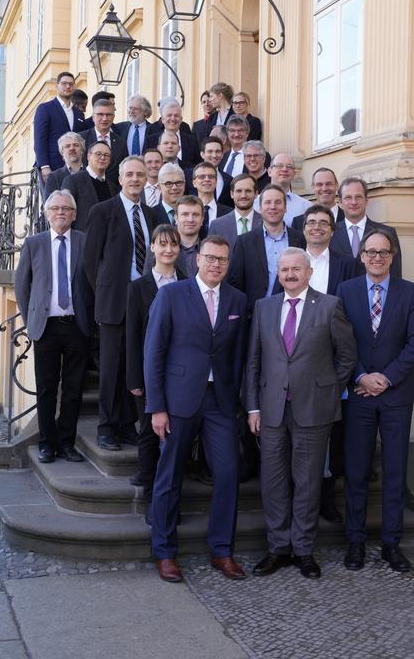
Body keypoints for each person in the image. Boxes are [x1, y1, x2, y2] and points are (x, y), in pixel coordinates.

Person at [245, 247, 356, 579]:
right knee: (274, 481)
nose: (290, 275)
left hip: (314, 409)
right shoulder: (264, 307)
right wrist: (253, 406)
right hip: (271, 410)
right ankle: (278, 548)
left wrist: (327, 390)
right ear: (277, 275)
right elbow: (253, 362)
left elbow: (347, 356)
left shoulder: (329, 306)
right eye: (284, 270)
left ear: (309, 272)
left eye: (296, 269)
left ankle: (304, 550)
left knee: (308, 482)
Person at [144, 235, 248, 583]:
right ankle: (164, 551)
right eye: (210, 258)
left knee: (228, 472)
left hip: (220, 402)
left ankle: (222, 550)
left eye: (222, 259)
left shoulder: (238, 299)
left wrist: (239, 403)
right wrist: (156, 407)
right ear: (197, 260)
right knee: (169, 475)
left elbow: (238, 356)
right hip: (177, 401)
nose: (216, 264)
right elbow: (153, 352)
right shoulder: (171, 294)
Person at [337, 230, 414, 573]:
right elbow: (341, 342)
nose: (376, 257)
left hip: (396, 395)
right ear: (361, 256)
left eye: (383, 252)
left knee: (394, 471)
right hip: (357, 395)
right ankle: (355, 542)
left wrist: (385, 378)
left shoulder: (411, 293)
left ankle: (392, 543)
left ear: (392, 256)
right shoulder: (345, 292)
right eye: (370, 252)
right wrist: (360, 376)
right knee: (357, 471)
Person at [14, 190, 94, 463]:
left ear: (74, 214)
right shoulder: (34, 244)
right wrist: (30, 320)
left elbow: (93, 284)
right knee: (47, 388)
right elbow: (22, 286)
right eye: (56, 208)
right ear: (47, 214)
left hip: (77, 326)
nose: (61, 212)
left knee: (73, 389)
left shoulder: (85, 242)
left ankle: (67, 443)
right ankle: (47, 444)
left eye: (66, 208)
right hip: (46, 328)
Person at [84, 156, 156, 451]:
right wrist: (104, 294)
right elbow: (90, 261)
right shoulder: (103, 211)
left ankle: (128, 425)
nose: (136, 179)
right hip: (114, 301)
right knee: (112, 367)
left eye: (140, 174)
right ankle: (106, 427)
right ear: (121, 178)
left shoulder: (152, 215)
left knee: (134, 366)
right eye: (130, 175)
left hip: (145, 302)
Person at [302, 204, 358, 522]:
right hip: (297, 360)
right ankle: (303, 497)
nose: (317, 228)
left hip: (333, 359)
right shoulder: (293, 260)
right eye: (312, 223)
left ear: (332, 231)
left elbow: (351, 312)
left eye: (324, 223)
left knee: (332, 435)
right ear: (304, 228)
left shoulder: (346, 265)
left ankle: (327, 497)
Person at [126, 225, 186, 518]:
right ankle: (151, 497)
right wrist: (135, 378)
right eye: (162, 245)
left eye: (173, 244)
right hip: (149, 373)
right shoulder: (138, 287)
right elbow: (132, 336)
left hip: (180, 373)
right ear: (151, 248)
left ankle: (173, 494)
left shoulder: (188, 282)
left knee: (176, 435)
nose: (168, 250)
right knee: (149, 434)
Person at [228, 184, 306, 314]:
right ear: (260, 208)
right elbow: (235, 283)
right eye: (268, 202)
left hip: (293, 313)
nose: (273, 207)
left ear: (285, 208)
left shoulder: (300, 239)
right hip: (254, 316)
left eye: (278, 202)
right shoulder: (244, 242)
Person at [330, 177, 402, 277]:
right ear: (340, 202)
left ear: (366, 201)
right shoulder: (330, 232)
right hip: (337, 292)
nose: (354, 202)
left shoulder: (387, 232)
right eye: (348, 197)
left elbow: (395, 274)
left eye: (358, 197)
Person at [33, 71, 86, 184]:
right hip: (52, 167)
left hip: (75, 168)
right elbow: (39, 139)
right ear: (57, 86)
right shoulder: (45, 108)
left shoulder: (79, 113)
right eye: (64, 83)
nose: (68, 86)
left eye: (71, 84)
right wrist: (44, 166)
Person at [63, 142, 116, 231]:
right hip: (82, 240)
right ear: (88, 156)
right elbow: (66, 214)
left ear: (110, 160)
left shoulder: (112, 186)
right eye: (98, 154)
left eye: (106, 155)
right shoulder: (73, 181)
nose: (102, 157)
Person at [79, 97, 128, 188]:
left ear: (113, 117)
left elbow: (123, 171)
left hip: (112, 193)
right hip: (86, 190)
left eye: (108, 114)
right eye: (100, 114)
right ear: (93, 117)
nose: (105, 118)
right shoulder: (81, 139)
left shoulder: (121, 142)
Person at [208, 173, 262, 252]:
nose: (243, 195)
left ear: (256, 194)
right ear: (232, 194)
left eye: (248, 191)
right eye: (239, 191)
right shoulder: (217, 226)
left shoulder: (266, 223)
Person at [256, 153, 309, 227]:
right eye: (279, 166)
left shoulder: (305, 206)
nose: (284, 169)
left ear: (294, 173)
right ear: (269, 171)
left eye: (289, 166)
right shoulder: (254, 203)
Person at [146, 102, 200, 167]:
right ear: (162, 119)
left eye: (176, 116)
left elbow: (197, 166)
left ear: (181, 119)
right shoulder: (150, 140)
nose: (173, 119)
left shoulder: (192, 142)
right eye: (169, 115)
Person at [185, 136, 233, 207]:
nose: (214, 155)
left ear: (222, 155)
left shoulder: (228, 179)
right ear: (202, 154)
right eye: (210, 151)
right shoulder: (187, 175)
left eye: (218, 151)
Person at [292, 167, 345, 231]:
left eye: (328, 184)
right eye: (319, 184)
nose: (324, 188)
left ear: (336, 185)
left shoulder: (349, 218)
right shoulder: (299, 223)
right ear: (313, 187)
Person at [192, 161, 232, 239]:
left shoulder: (229, 213)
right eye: (202, 177)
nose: (207, 179)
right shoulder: (187, 212)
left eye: (211, 176)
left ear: (216, 181)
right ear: (194, 183)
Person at [44, 132, 85, 198]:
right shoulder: (53, 178)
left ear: (82, 150)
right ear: (62, 152)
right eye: (67, 146)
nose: (72, 148)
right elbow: (50, 205)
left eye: (76, 145)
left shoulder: (91, 173)